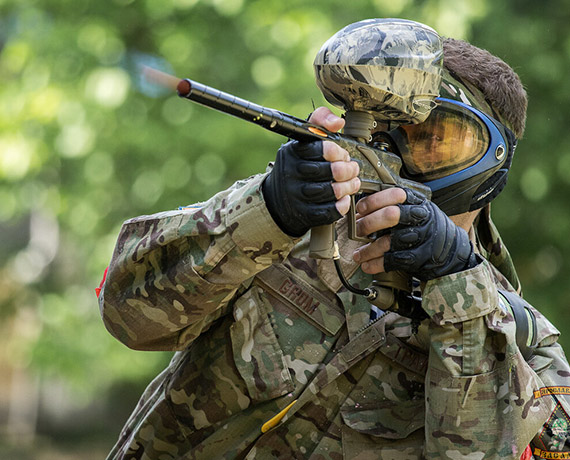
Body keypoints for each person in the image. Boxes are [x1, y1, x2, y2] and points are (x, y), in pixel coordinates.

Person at [97, 18, 570, 460]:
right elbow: (127, 316)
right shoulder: (288, 224)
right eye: (385, 130)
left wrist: (459, 293)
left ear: (493, 160)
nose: (397, 153)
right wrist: (267, 209)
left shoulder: (524, 341)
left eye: (432, 140)